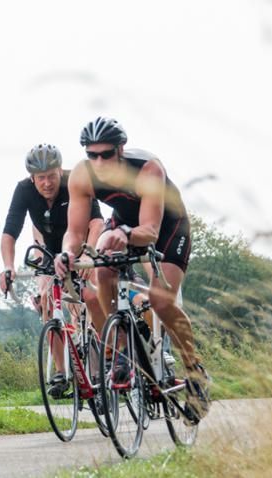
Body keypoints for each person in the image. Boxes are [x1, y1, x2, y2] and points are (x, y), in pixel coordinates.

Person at [54, 116, 210, 420]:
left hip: (167, 226)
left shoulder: (148, 169)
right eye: (91, 154)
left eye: (106, 154)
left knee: (162, 300)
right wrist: (66, 254)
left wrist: (123, 235)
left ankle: (194, 369)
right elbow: (74, 232)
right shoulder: (81, 175)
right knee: (102, 269)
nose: (98, 161)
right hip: (123, 223)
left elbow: (150, 230)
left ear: (121, 149)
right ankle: (122, 345)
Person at [0, 143, 106, 398]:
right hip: (50, 254)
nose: (47, 183)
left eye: (51, 176)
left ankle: (108, 352)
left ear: (60, 171)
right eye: (41, 178)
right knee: (48, 301)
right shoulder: (23, 190)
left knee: (91, 297)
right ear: (32, 178)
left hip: (81, 249)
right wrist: (8, 267)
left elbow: (97, 222)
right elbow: (9, 232)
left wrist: (87, 255)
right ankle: (61, 371)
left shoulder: (75, 182)